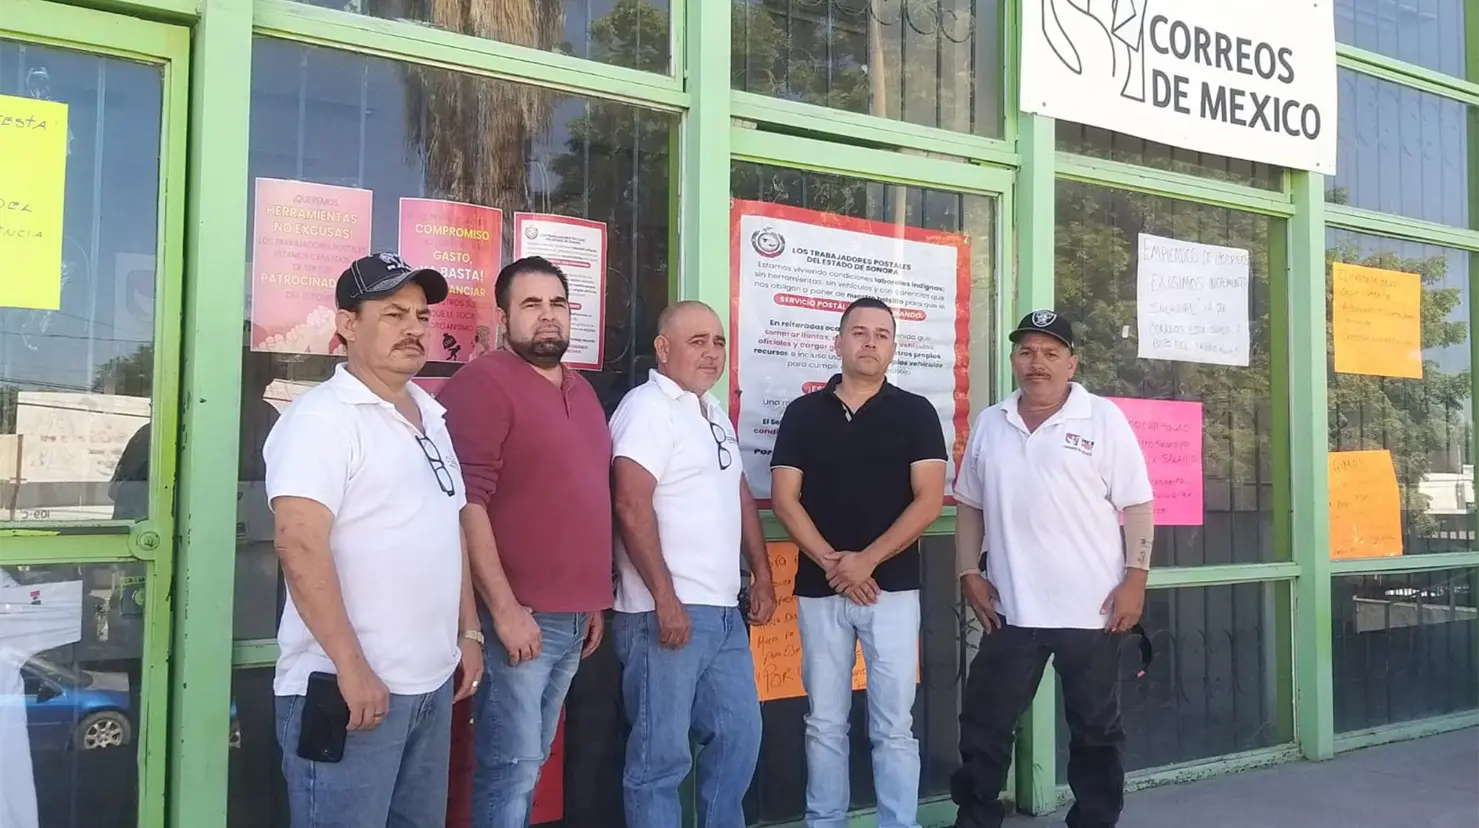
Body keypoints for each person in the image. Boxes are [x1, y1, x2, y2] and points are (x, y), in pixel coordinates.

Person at [264, 252, 484, 828]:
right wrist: (351, 666)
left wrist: (467, 631)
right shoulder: (321, 420)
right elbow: (298, 544)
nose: (413, 327)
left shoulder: (431, 417)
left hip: (430, 689)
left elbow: (450, 529)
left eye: (420, 314)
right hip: (350, 694)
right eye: (392, 314)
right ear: (347, 324)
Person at [950, 310, 1155, 828]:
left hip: (1094, 610)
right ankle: (974, 821)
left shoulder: (1103, 418)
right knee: (984, 727)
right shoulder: (992, 422)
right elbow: (969, 504)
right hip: (1012, 609)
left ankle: (1094, 821)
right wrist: (967, 572)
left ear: (1072, 362)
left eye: (1050, 352)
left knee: (1095, 733)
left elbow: (1138, 505)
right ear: (1015, 360)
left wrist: (1136, 578)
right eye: (1026, 352)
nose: (1036, 363)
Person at [436, 255, 613, 828]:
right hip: (516, 618)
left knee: (530, 766)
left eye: (557, 304)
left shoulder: (582, 391)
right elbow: (467, 505)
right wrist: (504, 611)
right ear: (502, 315)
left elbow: (581, 497)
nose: (548, 317)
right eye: (531, 305)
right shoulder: (483, 384)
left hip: (571, 618)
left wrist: (592, 598)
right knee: (510, 768)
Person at [770, 297, 948, 828]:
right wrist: (834, 564)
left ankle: (899, 822)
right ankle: (824, 821)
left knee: (893, 726)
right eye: (859, 332)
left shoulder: (916, 412)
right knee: (824, 721)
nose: (870, 342)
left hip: (891, 590)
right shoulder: (803, 413)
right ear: (839, 341)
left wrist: (866, 561)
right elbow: (784, 499)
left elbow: (929, 500)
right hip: (821, 590)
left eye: (881, 334)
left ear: (893, 347)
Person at [608, 300, 778, 828]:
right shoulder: (648, 408)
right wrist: (665, 599)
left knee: (738, 737)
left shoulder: (711, 413)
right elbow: (630, 505)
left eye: (718, 342)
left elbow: (740, 493)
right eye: (697, 341)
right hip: (665, 615)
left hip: (724, 612)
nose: (711, 353)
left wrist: (763, 573)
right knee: (659, 761)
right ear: (663, 349)